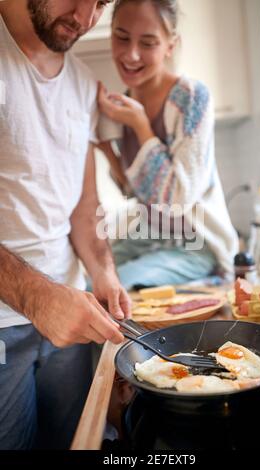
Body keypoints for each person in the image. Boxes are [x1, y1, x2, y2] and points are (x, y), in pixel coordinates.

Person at [0, 0, 132, 450]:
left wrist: (103, 271)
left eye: (102, 3)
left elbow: (83, 207)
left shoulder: (81, 83)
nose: (86, 17)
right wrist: (38, 299)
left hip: (71, 319)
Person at [97, 0, 239, 290]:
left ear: (170, 45)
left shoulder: (191, 98)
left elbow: (177, 199)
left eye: (148, 43)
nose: (131, 54)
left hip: (197, 245)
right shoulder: (125, 104)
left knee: (116, 287)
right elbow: (136, 191)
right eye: (121, 37)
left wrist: (140, 125)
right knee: (90, 281)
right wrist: (104, 146)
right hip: (149, 236)